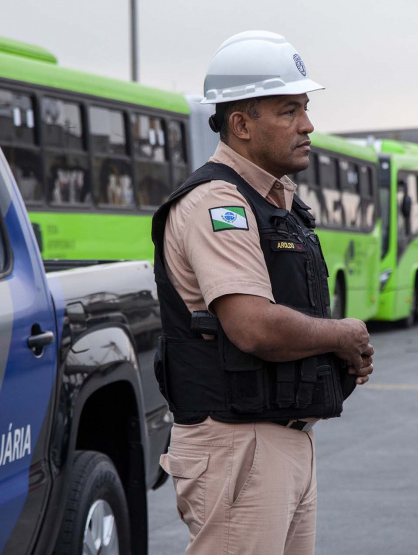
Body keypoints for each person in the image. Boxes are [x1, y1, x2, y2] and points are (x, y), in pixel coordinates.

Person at [151, 30, 374, 555]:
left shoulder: (276, 203)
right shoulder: (217, 203)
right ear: (242, 124)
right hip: (239, 445)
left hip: (278, 441)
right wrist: (341, 335)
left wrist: (340, 352)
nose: (308, 124)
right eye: (289, 110)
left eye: (305, 108)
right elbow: (251, 325)